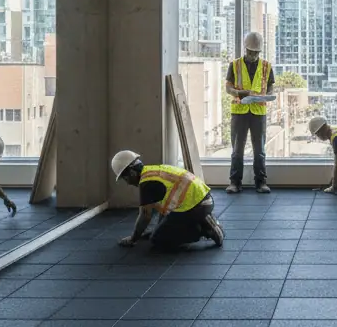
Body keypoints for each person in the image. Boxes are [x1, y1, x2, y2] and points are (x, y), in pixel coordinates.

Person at [111, 150, 223, 250]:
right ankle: (203, 220)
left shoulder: (146, 183)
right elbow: (165, 206)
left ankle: (205, 229)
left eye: (126, 179)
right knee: (157, 232)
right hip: (205, 199)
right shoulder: (153, 171)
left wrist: (133, 239)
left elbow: (145, 216)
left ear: (132, 173)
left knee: (157, 240)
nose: (128, 183)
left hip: (195, 207)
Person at [226, 31, 275, 194]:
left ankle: (261, 182)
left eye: (256, 52)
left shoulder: (267, 66)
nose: (253, 55)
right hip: (239, 111)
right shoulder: (235, 65)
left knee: (259, 149)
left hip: (258, 111)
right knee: (237, 149)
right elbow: (228, 87)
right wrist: (239, 93)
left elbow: (270, 87)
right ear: (245, 49)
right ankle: (235, 182)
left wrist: (267, 96)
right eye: (250, 52)